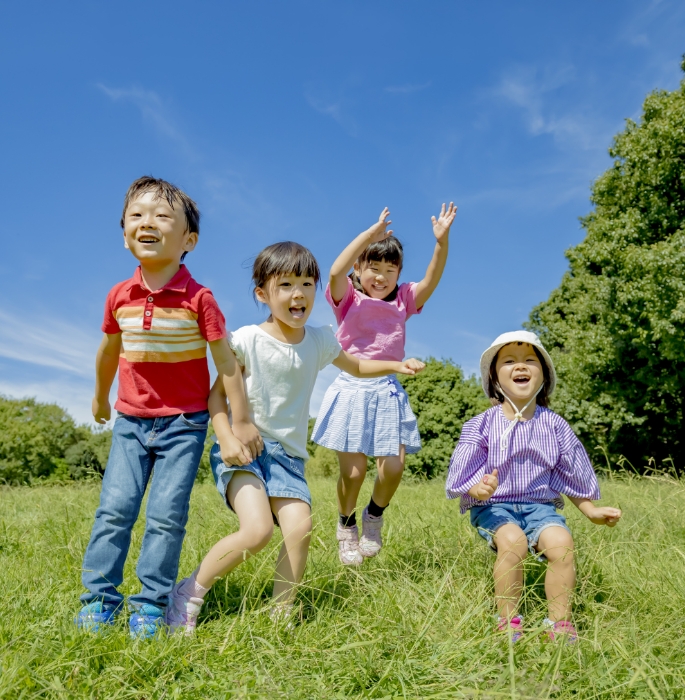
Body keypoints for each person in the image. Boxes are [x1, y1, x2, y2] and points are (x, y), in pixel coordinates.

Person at [166, 242, 425, 634]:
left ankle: (281, 611)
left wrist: (395, 364)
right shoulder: (248, 339)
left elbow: (355, 364)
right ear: (262, 294)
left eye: (306, 283)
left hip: (287, 458)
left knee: (300, 529)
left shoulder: (319, 340)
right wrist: (229, 435)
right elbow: (216, 396)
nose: (298, 293)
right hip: (245, 449)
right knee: (257, 531)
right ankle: (188, 592)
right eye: (285, 284)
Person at [76, 176, 256, 638]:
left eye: (161, 216)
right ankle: (99, 599)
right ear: (124, 234)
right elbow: (109, 352)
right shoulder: (119, 296)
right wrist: (99, 395)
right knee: (114, 509)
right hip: (131, 421)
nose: (147, 222)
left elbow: (227, 364)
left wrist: (239, 421)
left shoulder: (200, 300)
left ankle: (151, 605)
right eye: (136, 215)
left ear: (188, 240)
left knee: (165, 515)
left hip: (184, 425)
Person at [446, 331, 622, 643]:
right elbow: (465, 472)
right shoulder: (482, 424)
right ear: (494, 378)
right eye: (509, 361)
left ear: (544, 375)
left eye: (530, 360)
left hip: (540, 508)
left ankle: (559, 623)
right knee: (512, 542)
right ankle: (509, 620)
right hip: (494, 506)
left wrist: (591, 510)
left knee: (561, 544)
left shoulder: (554, 426)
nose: (520, 366)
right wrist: (478, 489)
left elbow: (568, 476)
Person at [312, 204, 457, 565]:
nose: (380, 276)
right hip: (351, 386)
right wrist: (369, 236)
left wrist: (441, 242)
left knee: (392, 467)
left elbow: (431, 280)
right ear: (359, 270)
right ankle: (345, 525)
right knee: (354, 471)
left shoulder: (403, 300)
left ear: (398, 274)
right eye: (373, 268)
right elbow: (333, 271)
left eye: (389, 270)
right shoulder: (347, 299)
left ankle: (373, 515)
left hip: (387, 390)